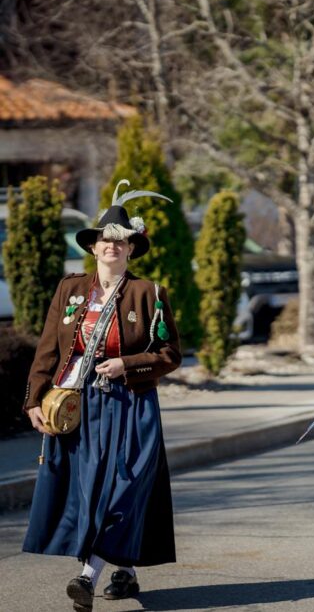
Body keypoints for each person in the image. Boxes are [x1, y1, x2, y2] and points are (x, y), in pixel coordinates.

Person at [23, 182, 180, 612]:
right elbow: (48, 350)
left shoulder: (150, 294)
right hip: (77, 405)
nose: (112, 246)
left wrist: (127, 365)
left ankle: (87, 576)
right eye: (105, 240)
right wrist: (35, 400)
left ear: (131, 248)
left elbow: (170, 355)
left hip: (132, 406)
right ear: (94, 247)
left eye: (121, 241)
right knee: (91, 490)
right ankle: (123, 569)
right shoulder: (70, 290)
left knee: (125, 487)